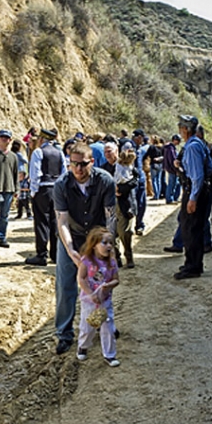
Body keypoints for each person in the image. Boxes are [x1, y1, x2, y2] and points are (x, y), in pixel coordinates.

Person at [53, 142, 116, 355]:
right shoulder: (61, 185)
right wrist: (71, 250)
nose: (79, 169)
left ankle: (104, 323)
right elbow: (61, 220)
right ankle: (64, 333)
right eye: (74, 164)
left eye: (83, 164)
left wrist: (107, 245)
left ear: (92, 162)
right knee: (65, 285)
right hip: (72, 236)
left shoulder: (105, 181)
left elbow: (111, 216)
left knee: (101, 282)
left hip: (97, 237)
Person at [174, 115, 212, 279]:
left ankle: (192, 267)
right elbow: (209, 168)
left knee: (190, 229)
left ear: (185, 129)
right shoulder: (200, 144)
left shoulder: (191, 147)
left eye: (181, 127)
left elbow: (197, 176)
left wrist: (193, 197)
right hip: (200, 189)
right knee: (193, 227)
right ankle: (193, 263)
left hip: (194, 190)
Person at [75, 227, 121, 366]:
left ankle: (110, 354)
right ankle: (83, 346)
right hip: (89, 302)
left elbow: (116, 279)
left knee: (108, 327)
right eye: (104, 242)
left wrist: (109, 285)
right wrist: (90, 293)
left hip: (105, 301)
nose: (108, 246)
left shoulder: (112, 262)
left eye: (110, 243)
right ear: (94, 245)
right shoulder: (87, 261)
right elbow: (81, 278)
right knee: (88, 327)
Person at [25, 128, 65, 266]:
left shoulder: (38, 152)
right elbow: (63, 173)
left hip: (43, 188)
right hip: (56, 189)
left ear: (42, 139)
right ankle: (55, 254)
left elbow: (35, 173)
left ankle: (41, 254)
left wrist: (33, 191)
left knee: (41, 222)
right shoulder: (59, 153)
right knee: (55, 222)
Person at [114, 147, 140, 269]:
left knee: (125, 232)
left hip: (126, 204)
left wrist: (121, 189)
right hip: (111, 204)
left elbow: (135, 181)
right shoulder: (105, 168)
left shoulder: (132, 170)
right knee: (112, 233)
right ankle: (116, 258)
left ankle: (128, 256)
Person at [131, 130, 149, 236]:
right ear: (138, 137)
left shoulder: (139, 149)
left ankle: (139, 225)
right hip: (133, 180)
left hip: (140, 179)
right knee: (134, 204)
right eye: (142, 138)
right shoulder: (129, 147)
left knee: (141, 203)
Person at [163, 134, 181, 204]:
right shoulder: (170, 148)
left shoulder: (170, 147)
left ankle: (172, 197)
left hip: (171, 168)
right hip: (172, 169)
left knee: (174, 183)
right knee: (171, 184)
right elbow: (172, 160)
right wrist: (176, 169)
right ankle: (169, 199)